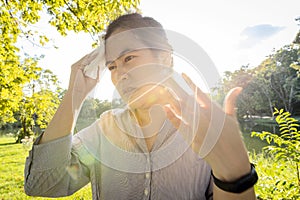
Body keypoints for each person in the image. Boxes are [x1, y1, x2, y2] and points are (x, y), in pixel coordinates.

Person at [24, 13, 257, 200]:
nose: (120, 75)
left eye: (129, 58)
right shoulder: (104, 130)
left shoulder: (203, 128)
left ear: (165, 58)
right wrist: (74, 97)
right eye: (112, 67)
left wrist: (235, 176)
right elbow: (41, 183)